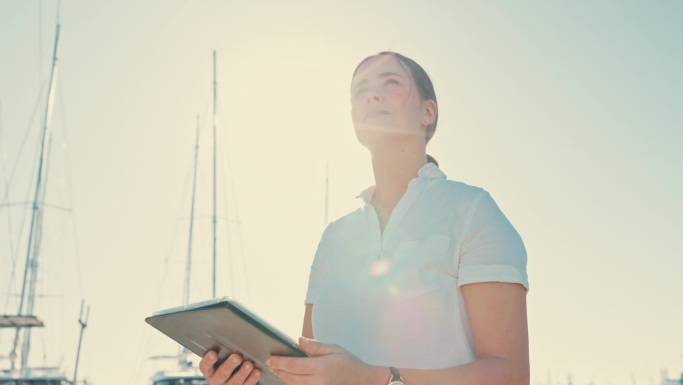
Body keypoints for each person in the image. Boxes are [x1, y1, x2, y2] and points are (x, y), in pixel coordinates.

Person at [199, 51, 529, 385]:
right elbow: (312, 372)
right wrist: (248, 380)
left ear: (428, 112)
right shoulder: (334, 237)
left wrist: (379, 379)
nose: (371, 94)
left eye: (390, 83)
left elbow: (511, 376)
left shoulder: (472, 210)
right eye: (360, 90)